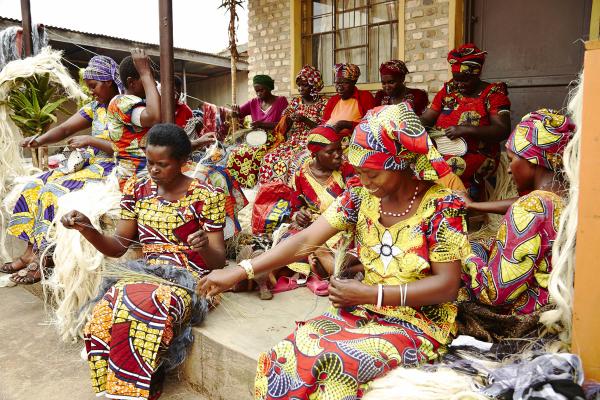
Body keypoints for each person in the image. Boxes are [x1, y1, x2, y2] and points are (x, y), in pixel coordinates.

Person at [200, 103, 470, 399]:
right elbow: (305, 240)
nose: (365, 181)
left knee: (332, 363)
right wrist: (240, 270)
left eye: (373, 174)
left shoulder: (442, 207)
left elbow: (447, 285)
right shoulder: (359, 196)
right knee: (285, 354)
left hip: (418, 323)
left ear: (401, 162)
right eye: (360, 172)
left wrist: (372, 294)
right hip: (364, 311)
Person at [61, 123, 226, 400]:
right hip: (146, 272)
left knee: (149, 302)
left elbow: (218, 262)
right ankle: (125, 384)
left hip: (192, 279)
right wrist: (87, 228)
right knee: (109, 306)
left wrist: (203, 246)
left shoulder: (207, 195)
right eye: (149, 162)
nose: (153, 170)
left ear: (183, 162)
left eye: (162, 164)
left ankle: (143, 378)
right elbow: (117, 247)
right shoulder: (138, 187)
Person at [2, 55, 123, 284]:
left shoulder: (126, 107)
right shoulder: (95, 108)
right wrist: (39, 140)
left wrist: (91, 140)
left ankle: (43, 259)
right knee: (33, 186)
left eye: (94, 87)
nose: (92, 92)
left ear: (108, 81)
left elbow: (129, 149)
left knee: (52, 191)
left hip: (109, 168)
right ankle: (30, 251)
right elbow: (66, 128)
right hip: (90, 163)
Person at [460, 109, 574, 315]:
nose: (509, 169)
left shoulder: (529, 209)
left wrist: (466, 255)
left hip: (534, 313)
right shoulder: (569, 197)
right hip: (561, 300)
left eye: (511, 159)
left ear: (533, 160)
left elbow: (495, 294)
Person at [420, 43, 511, 196]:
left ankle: (465, 207)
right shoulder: (449, 90)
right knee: (419, 167)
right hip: (444, 150)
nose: (459, 85)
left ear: (476, 75)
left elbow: (502, 130)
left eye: (465, 80)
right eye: (456, 80)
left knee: (448, 173)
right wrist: (410, 126)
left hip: (479, 156)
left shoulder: (493, 94)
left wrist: (465, 129)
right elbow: (428, 118)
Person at [258, 65, 328, 185]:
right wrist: (288, 120)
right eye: (299, 85)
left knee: (292, 161)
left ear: (314, 86)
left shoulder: (324, 103)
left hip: (311, 142)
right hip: (293, 141)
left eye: (304, 85)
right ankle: (270, 192)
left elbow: (324, 130)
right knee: (269, 158)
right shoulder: (296, 102)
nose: (300, 88)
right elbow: (283, 125)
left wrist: (304, 119)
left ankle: (291, 193)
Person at [108, 48, 161, 187]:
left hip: (148, 175)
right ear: (131, 83)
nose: (154, 83)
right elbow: (154, 117)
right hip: (134, 181)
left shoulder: (140, 103)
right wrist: (145, 72)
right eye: (149, 78)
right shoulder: (121, 103)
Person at [227, 74, 289, 187]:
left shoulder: (281, 101)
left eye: (262, 90)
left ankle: (250, 184)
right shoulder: (253, 103)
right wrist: (234, 113)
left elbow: (285, 124)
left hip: (274, 139)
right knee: (236, 153)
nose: (259, 93)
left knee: (255, 154)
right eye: (257, 91)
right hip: (257, 138)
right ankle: (237, 185)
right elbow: (238, 113)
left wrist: (262, 124)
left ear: (269, 88)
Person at [321, 63, 375, 136]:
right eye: (337, 83)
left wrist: (348, 125)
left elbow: (372, 125)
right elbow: (323, 124)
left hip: (355, 140)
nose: (340, 87)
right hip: (330, 138)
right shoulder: (333, 100)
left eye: (344, 83)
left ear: (353, 82)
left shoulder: (365, 97)